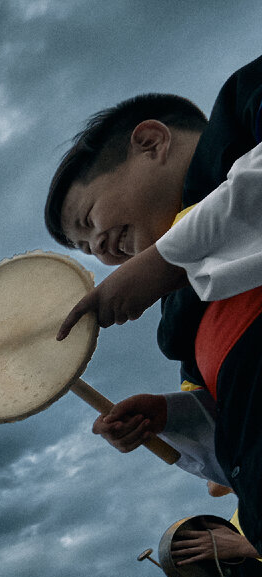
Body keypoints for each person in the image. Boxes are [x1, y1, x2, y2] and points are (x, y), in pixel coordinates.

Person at [44, 55, 262, 546]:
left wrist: (168, 260)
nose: (99, 249)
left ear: (150, 143)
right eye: (84, 250)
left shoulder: (246, 105)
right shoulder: (183, 319)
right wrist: (170, 419)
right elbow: (236, 456)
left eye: (88, 220)